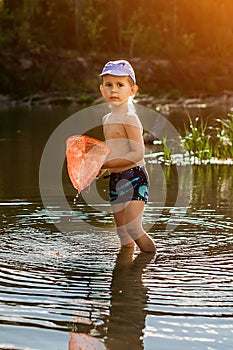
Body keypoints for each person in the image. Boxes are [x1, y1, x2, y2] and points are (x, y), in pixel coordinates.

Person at [99, 60, 156, 253]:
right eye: (109, 85)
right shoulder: (107, 119)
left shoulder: (130, 117)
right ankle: (126, 276)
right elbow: (112, 151)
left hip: (134, 177)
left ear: (132, 90)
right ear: (102, 90)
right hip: (116, 179)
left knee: (133, 227)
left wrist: (108, 163)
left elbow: (138, 153)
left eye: (120, 85)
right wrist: (101, 167)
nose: (114, 90)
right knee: (122, 231)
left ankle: (153, 259)